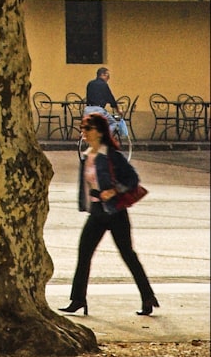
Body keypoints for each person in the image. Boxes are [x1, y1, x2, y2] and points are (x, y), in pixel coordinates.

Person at [59, 112, 158, 318]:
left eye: (87, 128)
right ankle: (78, 300)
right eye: (82, 128)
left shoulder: (111, 155)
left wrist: (114, 191)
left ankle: (148, 297)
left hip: (115, 212)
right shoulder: (87, 156)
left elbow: (133, 178)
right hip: (97, 212)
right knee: (84, 254)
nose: (83, 133)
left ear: (99, 131)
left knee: (127, 254)